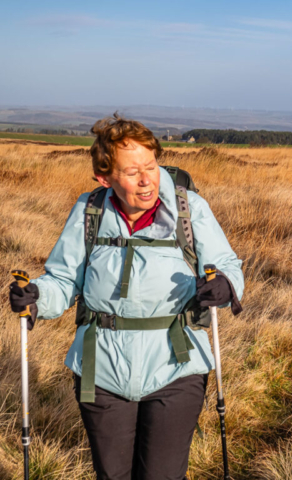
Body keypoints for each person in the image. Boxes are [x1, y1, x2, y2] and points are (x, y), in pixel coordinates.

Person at [8, 115, 244, 480]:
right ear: (105, 178)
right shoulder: (91, 211)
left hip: (176, 367)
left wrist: (226, 286)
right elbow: (64, 280)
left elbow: (226, 264)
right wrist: (37, 296)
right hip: (101, 371)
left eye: (151, 165)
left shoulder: (188, 208)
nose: (147, 179)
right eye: (133, 171)